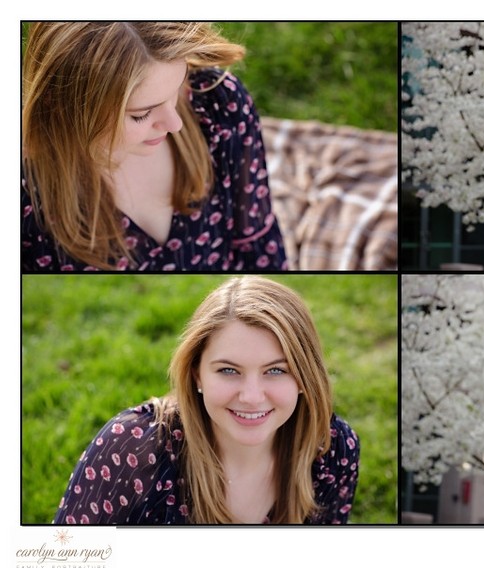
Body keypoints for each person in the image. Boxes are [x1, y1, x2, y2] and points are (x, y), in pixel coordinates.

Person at [53, 276, 358, 524]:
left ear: (305, 377)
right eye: (228, 370)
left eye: (276, 370)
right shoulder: (131, 449)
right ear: (197, 373)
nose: (251, 397)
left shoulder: (331, 447)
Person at [22, 22, 286, 272]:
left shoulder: (219, 106)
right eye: (141, 114)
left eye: (176, 90)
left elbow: (258, 248)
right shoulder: (27, 194)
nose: (175, 124)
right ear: (68, 108)